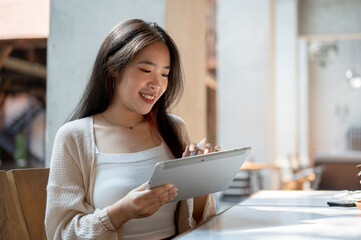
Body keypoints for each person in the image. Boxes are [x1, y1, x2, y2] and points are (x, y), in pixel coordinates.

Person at [45, 19, 219, 240]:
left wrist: (201, 184)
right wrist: (120, 213)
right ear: (114, 67)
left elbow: (202, 223)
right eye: (146, 70)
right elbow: (59, 233)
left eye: (165, 74)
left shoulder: (173, 128)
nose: (157, 84)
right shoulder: (73, 137)